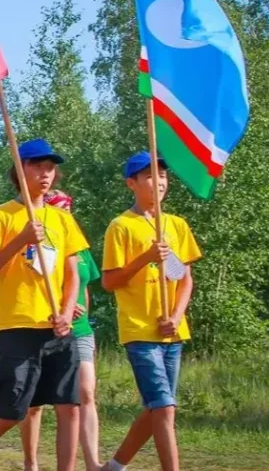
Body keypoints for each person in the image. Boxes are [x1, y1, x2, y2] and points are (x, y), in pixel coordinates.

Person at [0, 139, 89, 471]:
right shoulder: (0, 215)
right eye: (38, 167)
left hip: (57, 328)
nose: (46, 174)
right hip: (17, 325)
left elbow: (73, 273)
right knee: (12, 408)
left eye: (50, 168)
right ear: (19, 170)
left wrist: (66, 312)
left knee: (69, 405)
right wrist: (21, 240)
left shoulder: (62, 219)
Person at [100, 153, 202, 471]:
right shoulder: (121, 226)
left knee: (156, 408)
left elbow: (185, 279)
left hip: (172, 332)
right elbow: (109, 281)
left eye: (163, 176)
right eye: (149, 176)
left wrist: (177, 316)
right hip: (139, 330)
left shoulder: (177, 225)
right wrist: (145, 258)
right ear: (131, 184)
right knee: (164, 407)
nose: (159, 182)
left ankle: (114, 467)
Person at [20, 190, 104, 471]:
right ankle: (31, 462)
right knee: (34, 403)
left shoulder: (81, 250)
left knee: (85, 392)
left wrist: (82, 313)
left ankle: (92, 462)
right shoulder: (40, 247)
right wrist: (61, 307)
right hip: (46, 327)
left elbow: (84, 286)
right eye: (60, 209)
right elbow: (33, 284)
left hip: (79, 329)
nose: (66, 214)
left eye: (68, 209)